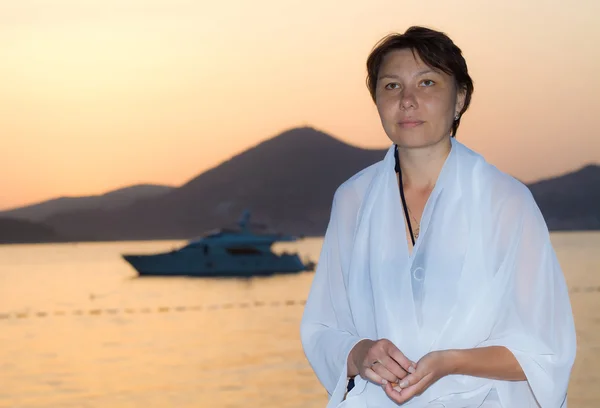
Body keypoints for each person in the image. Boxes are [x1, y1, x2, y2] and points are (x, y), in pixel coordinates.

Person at [300, 26, 576, 408]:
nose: (408, 101)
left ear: (460, 98)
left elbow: (546, 349)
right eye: (392, 86)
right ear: (377, 100)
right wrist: (360, 353)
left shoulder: (506, 201)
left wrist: (451, 362)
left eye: (427, 82)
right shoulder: (353, 199)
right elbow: (322, 328)